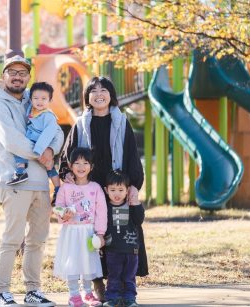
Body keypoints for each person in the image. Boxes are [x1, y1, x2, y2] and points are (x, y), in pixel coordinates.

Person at [59, 76, 147, 301]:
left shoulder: (122, 121)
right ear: (87, 97)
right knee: (94, 238)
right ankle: (100, 288)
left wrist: (134, 186)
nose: (99, 94)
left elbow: (131, 155)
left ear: (111, 94)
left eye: (104, 89)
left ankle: (125, 288)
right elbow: (68, 154)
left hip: (116, 190)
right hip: (89, 191)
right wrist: (67, 173)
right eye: (93, 90)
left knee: (121, 237)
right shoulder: (81, 123)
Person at [0, 54, 64, 307]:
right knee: (12, 238)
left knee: (38, 240)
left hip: (41, 182)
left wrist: (51, 150)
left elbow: (57, 129)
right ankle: (2, 292)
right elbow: (12, 141)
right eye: (13, 72)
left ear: (28, 77)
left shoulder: (35, 101)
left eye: (23, 73)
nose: (18, 76)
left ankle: (33, 290)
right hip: (14, 181)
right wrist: (41, 152)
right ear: (4, 75)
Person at [53, 147, 107, 307]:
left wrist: (100, 233)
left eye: (85, 163)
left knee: (88, 262)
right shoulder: (65, 188)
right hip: (71, 232)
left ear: (91, 166)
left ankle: (88, 293)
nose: (81, 166)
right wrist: (64, 213)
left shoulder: (96, 188)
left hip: (89, 232)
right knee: (73, 263)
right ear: (70, 165)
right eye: (77, 163)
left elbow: (101, 212)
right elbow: (57, 207)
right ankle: (74, 295)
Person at [6, 81, 61, 204]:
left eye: (43, 99)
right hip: (35, 141)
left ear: (50, 100)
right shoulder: (33, 109)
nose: (39, 101)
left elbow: (49, 132)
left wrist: (39, 149)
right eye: (35, 98)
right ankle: (57, 189)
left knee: (21, 152)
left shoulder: (48, 116)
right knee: (49, 167)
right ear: (30, 99)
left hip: (40, 143)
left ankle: (21, 172)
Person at [103, 170, 146, 307]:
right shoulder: (105, 207)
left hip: (131, 250)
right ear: (106, 190)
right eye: (113, 190)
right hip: (112, 250)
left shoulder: (131, 205)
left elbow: (139, 220)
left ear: (127, 190)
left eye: (121, 190)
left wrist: (136, 203)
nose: (117, 193)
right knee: (113, 276)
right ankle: (112, 298)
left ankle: (130, 299)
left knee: (129, 277)